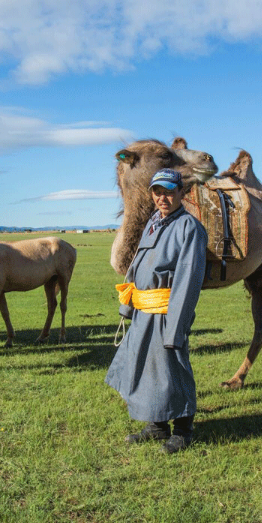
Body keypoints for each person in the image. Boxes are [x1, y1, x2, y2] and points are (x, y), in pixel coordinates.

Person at [105, 168, 208, 454]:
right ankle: (157, 426)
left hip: (166, 312)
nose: (163, 197)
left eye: (169, 192)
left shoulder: (189, 228)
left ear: (182, 193)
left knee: (173, 369)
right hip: (144, 311)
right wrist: (128, 305)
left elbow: (188, 280)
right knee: (147, 367)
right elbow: (137, 265)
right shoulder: (154, 221)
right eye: (157, 192)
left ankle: (183, 431)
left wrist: (176, 327)